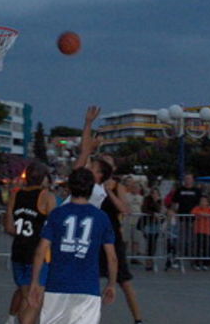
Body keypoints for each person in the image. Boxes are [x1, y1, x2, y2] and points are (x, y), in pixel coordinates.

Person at [72, 107, 142, 324]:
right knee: (87, 280)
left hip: (110, 237)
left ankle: (138, 319)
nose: (96, 163)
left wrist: (111, 190)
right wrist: (88, 124)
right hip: (90, 237)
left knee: (123, 280)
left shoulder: (107, 188)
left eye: (102, 162)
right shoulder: (88, 184)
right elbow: (84, 153)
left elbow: (125, 209)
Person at [27, 168, 116, 324]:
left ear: (69, 187)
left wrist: (35, 281)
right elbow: (112, 257)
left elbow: (41, 251)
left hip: (57, 284)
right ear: (91, 189)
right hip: (87, 287)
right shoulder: (101, 217)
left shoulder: (57, 214)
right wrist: (111, 283)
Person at [4, 162, 55, 324]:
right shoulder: (46, 196)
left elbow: (8, 226)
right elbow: (55, 227)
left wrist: (23, 233)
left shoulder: (15, 194)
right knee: (33, 300)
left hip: (18, 250)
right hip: (37, 253)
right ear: (43, 178)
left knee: (26, 296)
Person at [170, 173, 202, 266]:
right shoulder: (179, 190)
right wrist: (173, 212)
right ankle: (178, 258)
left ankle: (193, 259)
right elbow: (174, 203)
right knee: (180, 239)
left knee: (192, 239)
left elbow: (200, 203)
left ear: (193, 180)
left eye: (189, 178)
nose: (188, 180)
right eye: (186, 178)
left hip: (194, 219)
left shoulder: (197, 191)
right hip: (181, 218)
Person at [191, 196, 210, 270]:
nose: (203, 202)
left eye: (204, 201)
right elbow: (193, 212)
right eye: (202, 201)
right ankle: (197, 263)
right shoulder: (197, 208)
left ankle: (205, 263)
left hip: (207, 231)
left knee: (206, 247)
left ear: (207, 202)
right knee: (198, 247)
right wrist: (203, 214)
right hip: (198, 230)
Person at [139, 188, 163, 272]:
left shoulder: (159, 200)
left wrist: (155, 202)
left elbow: (160, 210)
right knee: (149, 243)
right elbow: (144, 209)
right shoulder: (146, 199)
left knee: (154, 244)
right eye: (153, 193)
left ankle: (151, 261)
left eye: (156, 193)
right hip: (147, 224)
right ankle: (148, 262)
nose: (154, 195)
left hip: (156, 225)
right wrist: (153, 214)